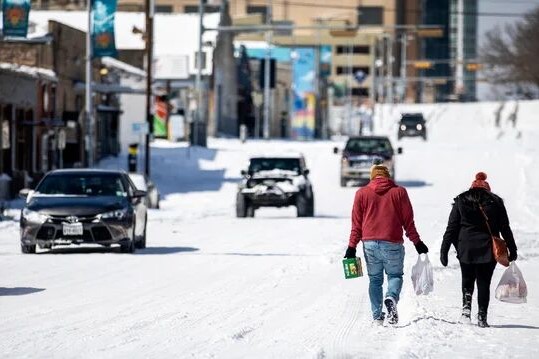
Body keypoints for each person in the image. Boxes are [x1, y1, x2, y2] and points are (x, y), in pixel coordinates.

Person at [344, 164, 428, 325]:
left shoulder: (361, 193)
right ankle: (391, 297)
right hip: (392, 243)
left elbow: (356, 225)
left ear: (372, 176)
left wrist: (351, 247)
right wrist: (417, 242)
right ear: (387, 176)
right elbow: (408, 222)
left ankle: (377, 317)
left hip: (369, 244)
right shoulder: (399, 192)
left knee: (375, 280)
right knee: (394, 276)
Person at [440, 172, 517, 328]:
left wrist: (444, 249)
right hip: (488, 248)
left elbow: (452, 228)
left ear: (472, 187)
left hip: (466, 247)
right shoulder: (496, 201)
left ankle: (466, 311)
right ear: (487, 188)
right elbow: (505, 228)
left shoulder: (460, 201)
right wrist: (512, 248)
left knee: (467, 279)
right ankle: (482, 316)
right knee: (484, 282)